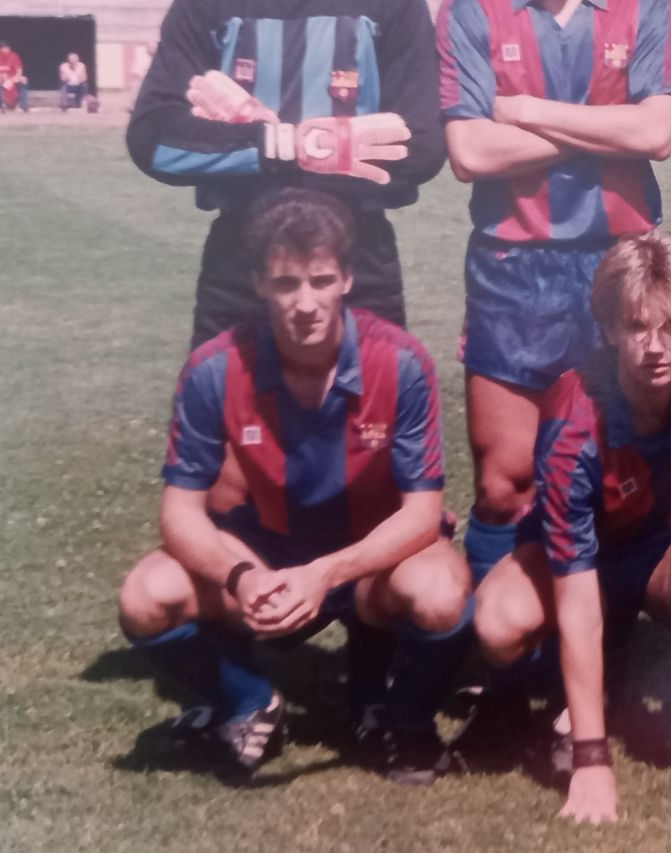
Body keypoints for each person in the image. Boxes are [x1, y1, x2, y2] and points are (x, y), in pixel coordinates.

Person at [115, 189, 473, 785]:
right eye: (286, 284)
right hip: (266, 551)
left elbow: (422, 513)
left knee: (441, 592)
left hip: (366, 557)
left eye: (321, 280)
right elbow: (179, 515)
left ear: (348, 279)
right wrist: (245, 577)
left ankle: (399, 717)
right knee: (145, 596)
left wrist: (325, 575)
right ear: (258, 283)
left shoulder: (403, 362)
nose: (305, 303)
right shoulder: (214, 367)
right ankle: (249, 701)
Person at [435, 0, 671, 608]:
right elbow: (470, 152)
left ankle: (612, 641)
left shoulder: (645, 5)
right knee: (507, 481)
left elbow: (657, 134)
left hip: (620, 262)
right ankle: (499, 662)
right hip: (515, 265)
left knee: (623, 468)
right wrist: (596, 128)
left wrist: (531, 113)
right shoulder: (470, 10)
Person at [472, 235, 671, 822]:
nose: (655, 347)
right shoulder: (573, 424)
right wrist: (592, 760)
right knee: (497, 622)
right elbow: (575, 593)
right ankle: (555, 692)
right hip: (582, 561)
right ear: (608, 330)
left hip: (670, 537)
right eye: (636, 327)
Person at [125, 0, 443, 349]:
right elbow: (153, 139)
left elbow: (419, 148)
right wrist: (287, 144)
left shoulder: (391, 1)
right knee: (227, 432)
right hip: (240, 262)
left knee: (369, 432)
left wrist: (250, 144)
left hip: (359, 262)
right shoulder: (209, 2)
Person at [0, 41, 26, 112]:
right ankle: (1, 104)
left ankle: (22, 104)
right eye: (3, 48)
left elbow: (19, 70)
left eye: (7, 48)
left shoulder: (14, 56)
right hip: (0, 77)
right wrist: (1, 77)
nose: (5, 50)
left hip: (12, 78)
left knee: (24, 80)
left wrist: (13, 79)